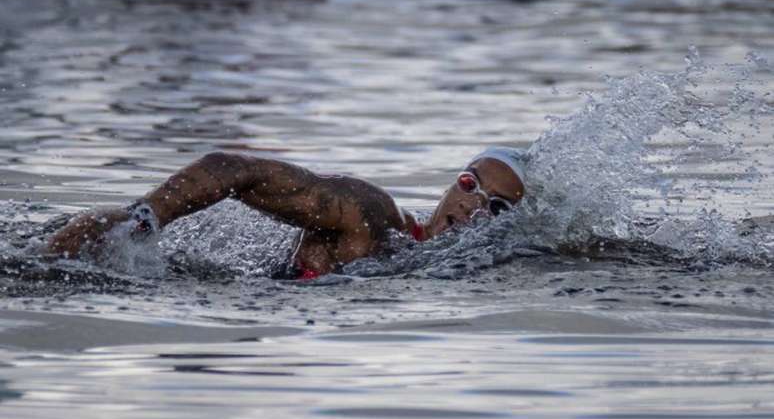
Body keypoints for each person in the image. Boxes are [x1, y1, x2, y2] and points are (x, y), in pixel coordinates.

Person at [46, 147, 527, 278]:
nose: (473, 208)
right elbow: (233, 167)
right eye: (471, 185)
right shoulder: (371, 215)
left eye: (499, 209)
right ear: (452, 183)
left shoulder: (458, 271)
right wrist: (145, 221)